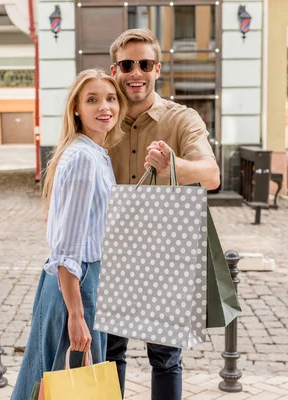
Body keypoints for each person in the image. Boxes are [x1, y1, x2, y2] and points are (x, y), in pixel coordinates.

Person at [107, 28, 221, 400]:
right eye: (127, 64)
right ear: (115, 70)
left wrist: (176, 166)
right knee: (108, 354)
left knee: (166, 357)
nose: (135, 72)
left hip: (163, 253)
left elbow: (212, 176)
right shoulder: (101, 119)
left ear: (157, 69)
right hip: (111, 252)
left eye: (144, 63)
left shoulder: (181, 119)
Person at [10, 68, 127, 400]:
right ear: (76, 108)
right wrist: (76, 314)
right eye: (92, 100)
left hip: (83, 279)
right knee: (64, 381)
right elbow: (67, 248)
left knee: (54, 378)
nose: (105, 107)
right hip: (77, 281)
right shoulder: (82, 159)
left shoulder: (94, 153)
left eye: (110, 98)